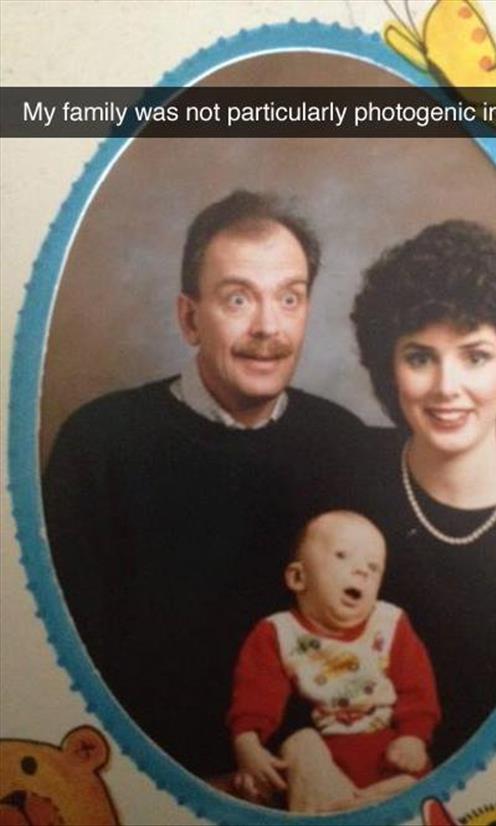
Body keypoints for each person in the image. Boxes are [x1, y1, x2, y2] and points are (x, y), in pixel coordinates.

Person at [43, 190, 365, 777]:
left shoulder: (346, 447)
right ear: (189, 318)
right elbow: (63, 670)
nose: (268, 327)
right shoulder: (99, 444)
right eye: (238, 298)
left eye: (289, 298)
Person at [351, 220, 496, 766]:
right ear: (390, 367)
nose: (447, 387)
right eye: (420, 357)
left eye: (475, 356)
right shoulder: (343, 482)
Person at [227, 510, 440, 812]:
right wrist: (247, 745)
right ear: (298, 577)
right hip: (328, 751)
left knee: (420, 780)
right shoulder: (278, 632)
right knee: (297, 752)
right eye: (343, 556)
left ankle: (370, 803)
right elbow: (255, 696)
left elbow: (418, 690)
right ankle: (339, 805)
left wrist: (414, 737)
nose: (362, 571)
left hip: (388, 750)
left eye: (374, 567)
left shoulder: (390, 623)